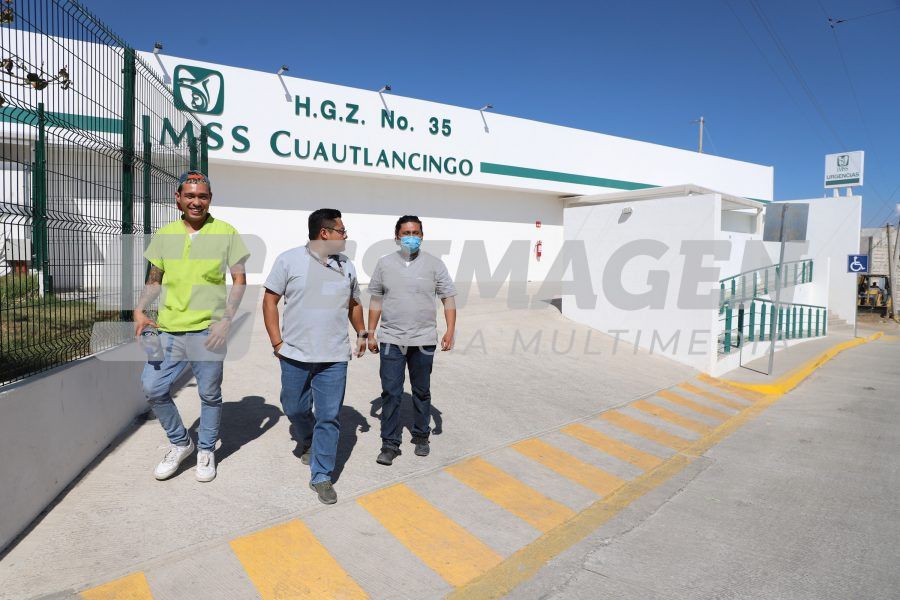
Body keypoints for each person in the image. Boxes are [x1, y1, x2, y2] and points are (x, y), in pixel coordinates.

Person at [134, 170, 249, 483]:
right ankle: (180, 443)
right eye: (190, 196)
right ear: (178, 199)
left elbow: (239, 279)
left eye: (203, 196)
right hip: (169, 328)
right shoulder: (165, 234)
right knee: (153, 387)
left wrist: (226, 321)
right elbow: (155, 278)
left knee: (210, 394)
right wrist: (141, 309)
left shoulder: (226, 231)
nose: (196, 202)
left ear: (209, 199)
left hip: (208, 331)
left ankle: (207, 449)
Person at [262, 208, 367, 505]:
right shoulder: (288, 260)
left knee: (329, 416)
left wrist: (361, 332)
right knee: (293, 408)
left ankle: (321, 475)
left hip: (334, 356)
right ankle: (306, 436)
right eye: (341, 231)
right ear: (325, 233)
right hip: (294, 353)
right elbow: (270, 301)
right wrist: (277, 343)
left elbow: (353, 303)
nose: (345, 236)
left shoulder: (346, 265)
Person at [367, 215, 457, 466]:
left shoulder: (435, 264)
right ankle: (390, 443)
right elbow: (376, 300)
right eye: (406, 232)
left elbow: (448, 298)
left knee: (421, 390)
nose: (411, 237)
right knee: (391, 392)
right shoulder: (384, 264)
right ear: (396, 237)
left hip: (423, 340)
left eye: (416, 232)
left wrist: (450, 330)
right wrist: (370, 333)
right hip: (391, 339)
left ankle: (420, 436)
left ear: (422, 236)